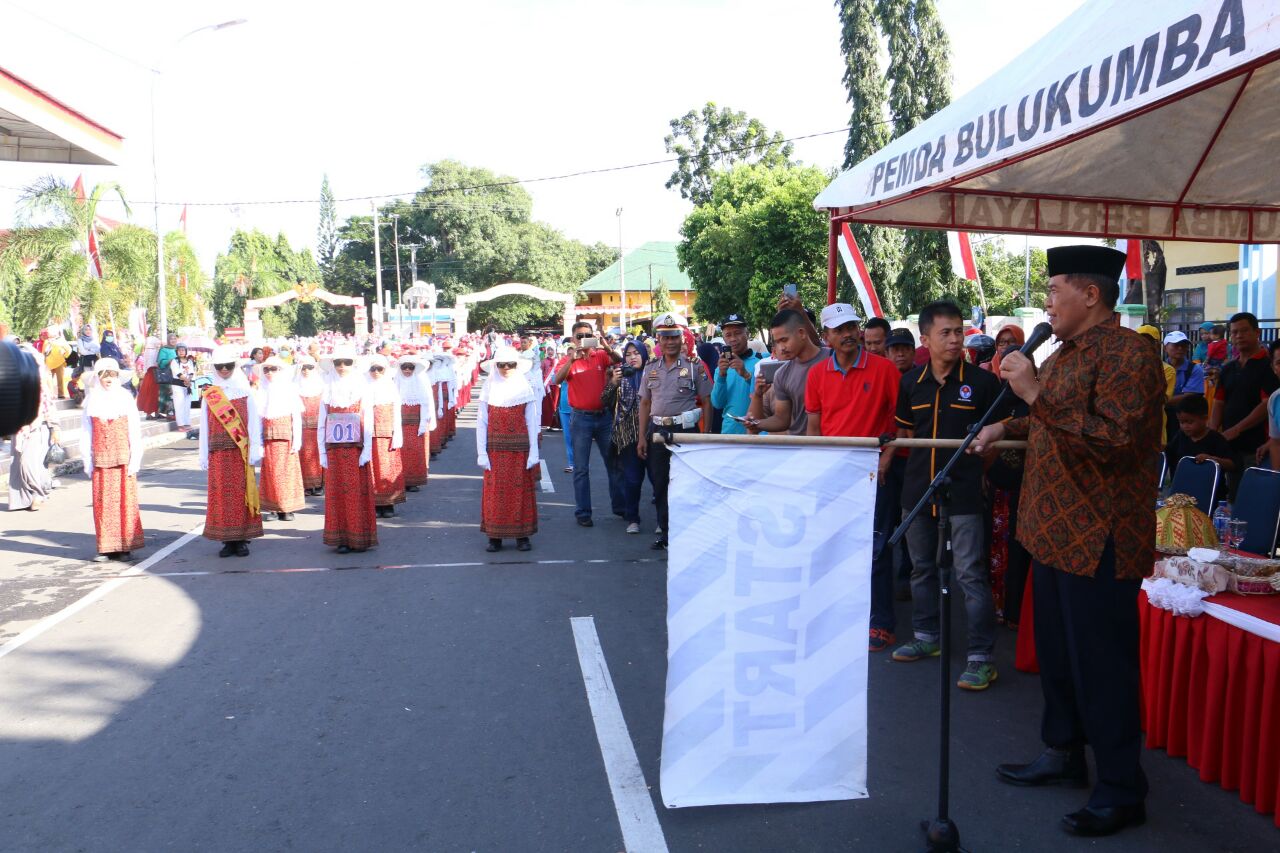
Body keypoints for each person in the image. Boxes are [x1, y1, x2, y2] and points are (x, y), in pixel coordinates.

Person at [973, 245, 1163, 837]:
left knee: (1102, 667)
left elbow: (1111, 440)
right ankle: (1061, 753)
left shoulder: (1133, 355)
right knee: (1056, 656)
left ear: (1091, 295)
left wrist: (1030, 395)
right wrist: (1008, 422)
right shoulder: (1064, 353)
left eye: (1055, 291)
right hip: (1049, 529)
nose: (1047, 302)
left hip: (1099, 537)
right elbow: (1052, 419)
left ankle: (1120, 788)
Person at [891, 301, 1004, 688]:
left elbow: (999, 437)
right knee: (921, 567)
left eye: (959, 331)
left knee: (970, 574)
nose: (956, 339)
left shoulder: (984, 382)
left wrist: (975, 473)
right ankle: (926, 637)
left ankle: (981, 656)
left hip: (967, 494)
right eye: (946, 333)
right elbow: (906, 435)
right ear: (925, 339)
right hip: (918, 491)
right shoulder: (909, 383)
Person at [802, 302, 901, 652]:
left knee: (876, 549)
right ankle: (837, 615)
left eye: (851, 327)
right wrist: (814, 467)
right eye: (839, 329)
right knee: (832, 546)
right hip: (832, 472)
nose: (847, 334)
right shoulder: (816, 375)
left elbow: (903, 424)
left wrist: (887, 458)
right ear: (826, 336)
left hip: (875, 471)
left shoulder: (885, 370)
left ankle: (881, 622)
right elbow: (814, 425)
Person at [637, 313, 712, 550]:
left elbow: (707, 402)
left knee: (687, 485)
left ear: (682, 339)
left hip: (685, 431)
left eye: (674, 337)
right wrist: (641, 437)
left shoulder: (693, 367)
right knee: (660, 483)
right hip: (658, 430)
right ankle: (667, 533)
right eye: (665, 337)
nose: (670, 342)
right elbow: (645, 404)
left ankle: (690, 532)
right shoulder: (651, 368)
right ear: (658, 340)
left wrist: (706, 436)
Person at [554, 321, 623, 527]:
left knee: (613, 463)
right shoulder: (569, 359)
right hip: (580, 418)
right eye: (580, 336)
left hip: (603, 417)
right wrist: (572, 359)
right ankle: (583, 512)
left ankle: (620, 506)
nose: (584, 339)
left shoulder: (601, 354)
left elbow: (619, 361)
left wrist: (606, 345)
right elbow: (557, 379)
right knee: (581, 468)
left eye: (588, 335)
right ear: (573, 338)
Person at [199, 345, 264, 558]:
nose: (224, 370)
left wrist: (255, 447)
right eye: (220, 366)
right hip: (218, 453)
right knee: (222, 496)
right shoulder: (210, 395)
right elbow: (204, 428)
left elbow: (254, 422)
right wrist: (203, 454)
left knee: (240, 495)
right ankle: (227, 540)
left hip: (240, 453)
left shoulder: (245, 392)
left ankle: (242, 539)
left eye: (228, 366)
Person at [476, 346, 540, 552]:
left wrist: (534, 453)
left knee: (521, 491)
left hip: (519, 449)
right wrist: (481, 452)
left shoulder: (525, 388)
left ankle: (522, 535)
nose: (505, 368)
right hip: (495, 449)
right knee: (495, 492)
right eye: (501, 365)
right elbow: (481, 422)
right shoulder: (489, 387)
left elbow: (531, 422)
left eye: (510, 364)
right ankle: (495, 536)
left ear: (517, 366)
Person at [81, 358, 144, 561]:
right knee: (102, 503)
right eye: (104, 374)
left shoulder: (125, 398)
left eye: (112, 374)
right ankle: (106, 547)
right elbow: (86, 432)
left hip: (122, 457)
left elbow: (134, 429)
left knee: (124, 502)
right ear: (98, 377)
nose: (108, 378)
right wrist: (86, 460)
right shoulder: (91, 401)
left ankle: (125, 546)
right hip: (100, 458)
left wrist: (136, 458)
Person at [1210, 312, 1278, 497]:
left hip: (1257, 447)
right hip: (1229, 447)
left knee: (1255, 498)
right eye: (1234, 332)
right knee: (1230, 497)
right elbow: (1218, 403)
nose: (1239, 336)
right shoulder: (1228, 368)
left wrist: (1237, 429)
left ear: (1257, 332)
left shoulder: (1268, 367)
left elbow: (1267, 406)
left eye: (1244, 331)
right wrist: (1212, 433)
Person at [318, 347, 377, 553]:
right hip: (334, 451)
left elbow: (368, 420)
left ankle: (359, 535)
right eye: (338, 363)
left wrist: (367, 450)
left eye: (346, 362)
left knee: (355, 493)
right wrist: (322, 453)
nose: (342, 366)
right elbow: (321, 424)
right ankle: (341, 538)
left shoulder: (362, 388)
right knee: (337, 495)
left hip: (355, 451)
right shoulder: (327, 390)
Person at [746, 302, 829, 436]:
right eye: (777, 342)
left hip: (837, 444)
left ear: (801, 333)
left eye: (784, 340)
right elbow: (782, 419)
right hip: (798, 448)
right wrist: (755, 424)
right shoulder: (781, 374)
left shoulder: (832, 359)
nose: (781, 347)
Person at [603, 340, 649, 534]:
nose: (632, 357)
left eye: (636, 353)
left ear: (643, 355)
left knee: (659, 479)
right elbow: (604, 401)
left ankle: (663, 522)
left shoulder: (654, 372)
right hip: (627, 435)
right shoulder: (619, 376)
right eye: (628, 354)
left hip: (652, 433)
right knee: (632, 479)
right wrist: (613, 383)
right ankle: (632, 518)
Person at [8, 345, 58, 511]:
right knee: (17, 464)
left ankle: (38, 495)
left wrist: (55, 427)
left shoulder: (41, 383)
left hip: (37, 427)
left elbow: (49, 407)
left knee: (29, 463)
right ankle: (22, 499)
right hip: (17, 428)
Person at [257, 356, 305, 522]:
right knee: (270, 473)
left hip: (286, 437)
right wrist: (258, 443)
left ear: (280, 371)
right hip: (268, 438)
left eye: (273, 369)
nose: (269, 372)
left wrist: (297, 440)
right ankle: (272, 507)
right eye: (266, 369)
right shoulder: (261, 389)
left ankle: (287, 508)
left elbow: (296, 417)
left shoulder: (289, 388)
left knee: (287, 473)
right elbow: (258, 418)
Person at [1167, 394, 1233, 496]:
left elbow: (1231, 464)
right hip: (1184, 493)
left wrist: (1212, 459)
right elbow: (1169, 452)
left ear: (1205, 418)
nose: (1185, 426)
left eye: (1189, 422)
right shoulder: (1180, 436)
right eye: (1181, 422)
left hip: (1210, 494)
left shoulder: (1216, 439)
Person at [710, 313, 762, 435]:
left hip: (759, 433)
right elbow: (717, 404)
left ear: (747, 334)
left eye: (738, 333)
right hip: (730, 433)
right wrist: (722, 376)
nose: (733, 339)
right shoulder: (721, 368)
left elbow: (768, 396)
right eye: (728, 335)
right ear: (724, 339)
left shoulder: (761, 361)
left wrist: (745, 374)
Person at [366, 355, 405, 518]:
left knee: (387, 468)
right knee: (372, 468)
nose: (376, 372)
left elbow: (397, 412)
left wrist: (398, 434)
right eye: (373, 369)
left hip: (387, 434)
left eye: (379, 369)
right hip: (369, 435)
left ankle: (388, 503)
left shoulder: (391, 387)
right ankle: (374, 503)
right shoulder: (364, 387)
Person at [396, 355, 436, 493]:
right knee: (399, 451)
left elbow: (426, 403)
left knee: (414, 450)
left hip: (416, 423)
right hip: (400, 423)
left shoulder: (421, 380)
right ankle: (400, 479)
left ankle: (413, 480)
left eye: (410, 367)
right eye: (404, 367)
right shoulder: (396, 381)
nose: (407, 370)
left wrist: (424, 423)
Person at [295, 355, 326, 495]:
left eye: (310, 367)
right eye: (303, 367)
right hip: (301, 429)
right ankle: (306, 485)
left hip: (319, 428)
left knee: (319, 453)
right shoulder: (294, 386)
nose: (306, 370)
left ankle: (319, 484)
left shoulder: (322, 386)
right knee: (303, 455)